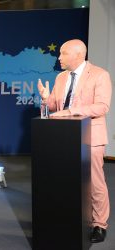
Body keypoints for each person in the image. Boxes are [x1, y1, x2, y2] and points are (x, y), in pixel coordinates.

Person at [38, 39, 112, 243]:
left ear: (79, 55)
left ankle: (99, 224)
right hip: (65, 138)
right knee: (68, 179)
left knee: (95, 181)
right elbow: (55, 106)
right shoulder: (61, 77)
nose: (58, 57)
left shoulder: (100, 75)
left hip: (91, 137)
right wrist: (46, 98)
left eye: (63, 53)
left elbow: (102, 106)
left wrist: (71, 111)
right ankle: (73, 217)